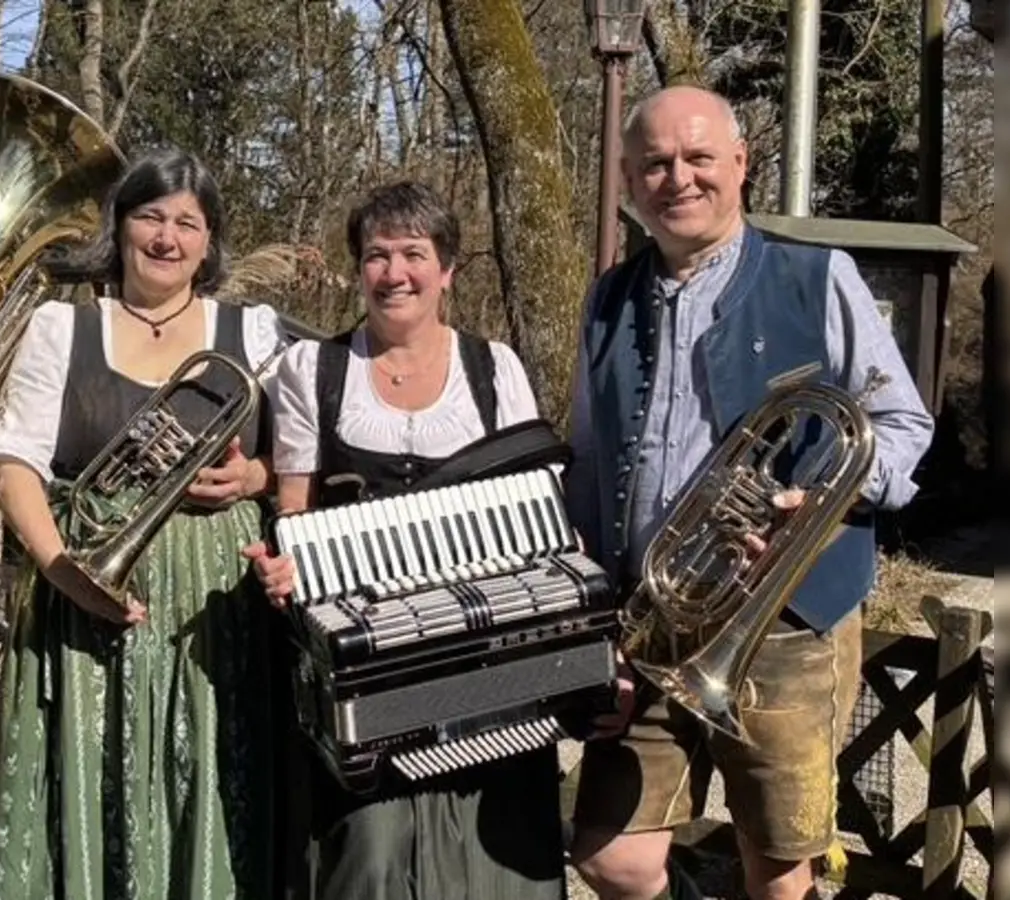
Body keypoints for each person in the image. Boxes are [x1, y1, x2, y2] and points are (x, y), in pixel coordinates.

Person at [564, 85, 935, 900]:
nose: (679, 179)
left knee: (779, 870)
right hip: (655, 621)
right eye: (655, 164)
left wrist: (823, 499)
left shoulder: (816, 276)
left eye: (699, 158)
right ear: (628, 180)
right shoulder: (607, 300)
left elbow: (902, 424)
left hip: (791, 619)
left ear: (740, 164)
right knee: (610, 856)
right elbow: (589, 465)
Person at [0, 148, 287, 900]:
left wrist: (254, 475)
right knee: (99, 775)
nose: (167, 238)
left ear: (210, 242)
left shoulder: (256, 331)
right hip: (90, 590)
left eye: (189, 222)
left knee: (209, 777)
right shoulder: (63, 327)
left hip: (219, 604)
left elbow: (302, 453)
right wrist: (60, 570)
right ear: (118, 227)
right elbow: (12, 455)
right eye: (150, 216)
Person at [246, 180, 566, 900]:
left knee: (498, 840)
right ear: (359, 269)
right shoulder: (313, 371)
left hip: (484, 648)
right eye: (377, 256)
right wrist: (286, 569)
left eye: (414, 254)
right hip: (369, 658)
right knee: (372, 843)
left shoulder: (495, 369)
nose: (395, 274)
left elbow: (539, 512)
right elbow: (295, 513)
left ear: (447, 269)